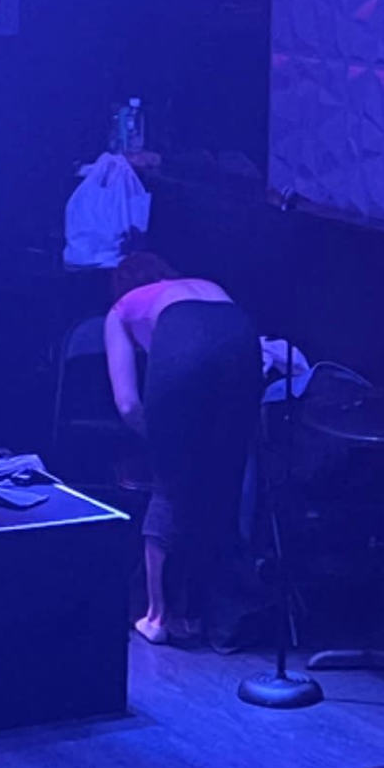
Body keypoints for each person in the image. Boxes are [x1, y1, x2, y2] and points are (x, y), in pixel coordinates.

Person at [103, 251, 261, 646]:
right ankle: (219, 615)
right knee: (224, 483)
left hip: (184, 338)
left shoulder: (122, 307)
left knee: (170, 486)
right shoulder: (204, 285)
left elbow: (127, 403)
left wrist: (163, 441)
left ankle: (157, 617)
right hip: (241, 332)